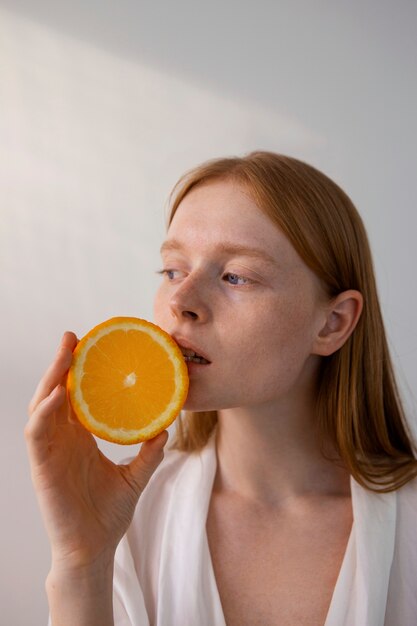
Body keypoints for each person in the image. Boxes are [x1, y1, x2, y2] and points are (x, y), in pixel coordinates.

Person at [26, 152, 417, 626]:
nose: (181, 301)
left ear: (332, 324)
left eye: (236, 276)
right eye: (172, 270)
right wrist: (82, 565)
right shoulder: (129, 519)